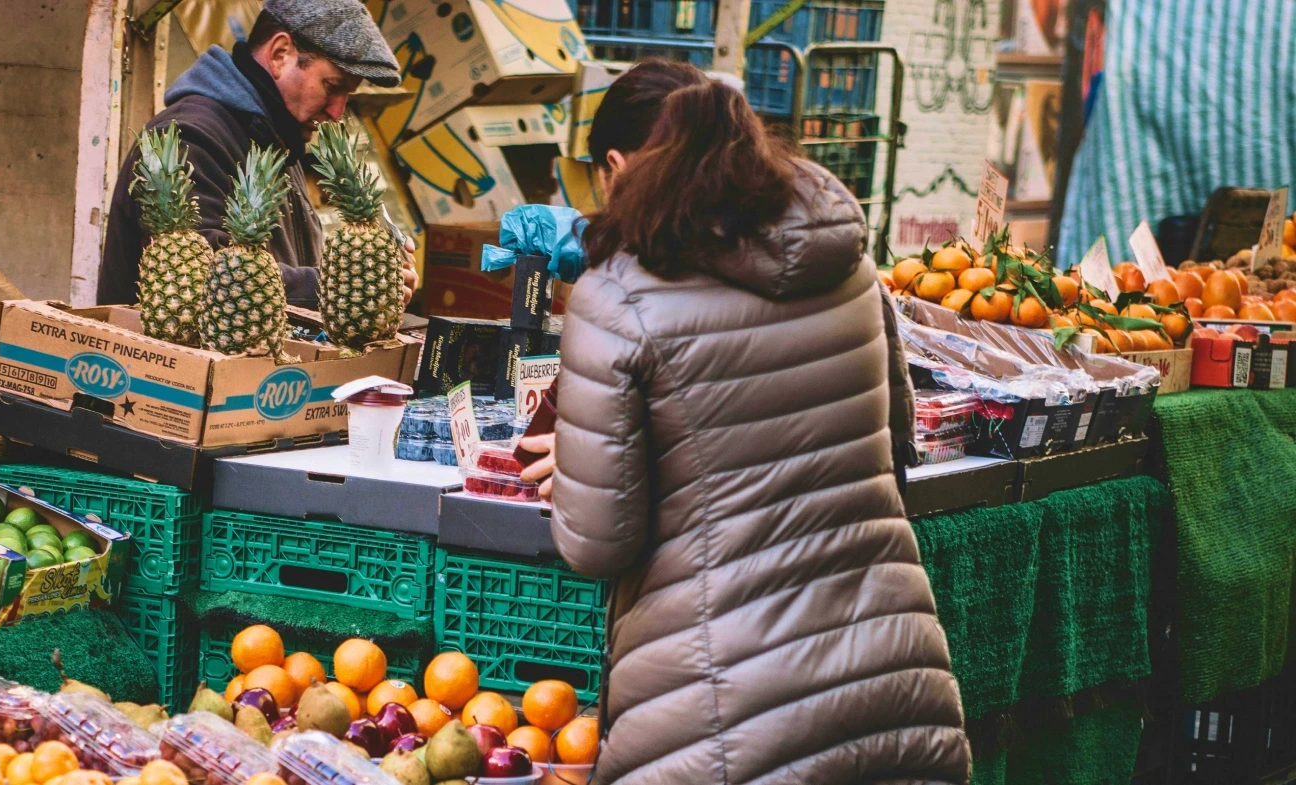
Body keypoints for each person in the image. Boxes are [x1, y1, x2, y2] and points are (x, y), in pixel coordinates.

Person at [520, 60, 971, 784]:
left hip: (721, 702)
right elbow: (894, 448)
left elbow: (600, 540)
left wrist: (574, 471)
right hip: (889, 672)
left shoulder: (617, 296)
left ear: (618, 167)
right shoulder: (852, 269)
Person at [99, 0, 417, 310]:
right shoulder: (190, 136)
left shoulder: (277, 136)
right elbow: (202, 276)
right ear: (280, 55)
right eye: (333, 87)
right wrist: (341, 287)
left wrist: (371, 276)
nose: (337, 112)